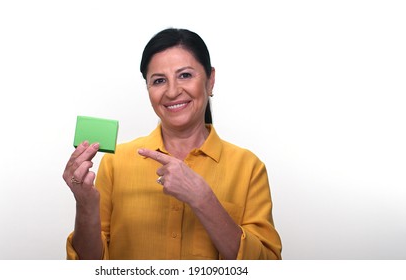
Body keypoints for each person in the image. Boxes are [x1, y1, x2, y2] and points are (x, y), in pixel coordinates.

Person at [62, 28, 282, 260]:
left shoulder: (248, 167)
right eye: (158, 80)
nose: (173, 91)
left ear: (211, 80)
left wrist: (204, 200)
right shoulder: (115, 163)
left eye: (185, 75)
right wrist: (84, 205)